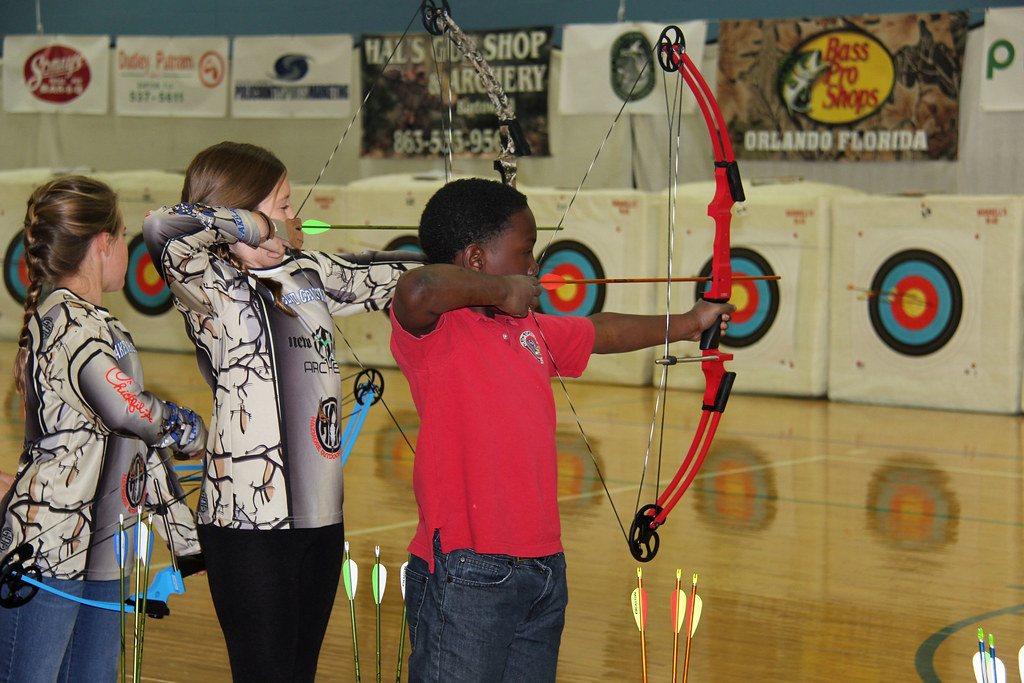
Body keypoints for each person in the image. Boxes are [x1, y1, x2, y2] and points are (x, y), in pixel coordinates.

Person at [389, 177, 735, 682]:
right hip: (467, 569)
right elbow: (418, 288)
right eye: (526, 252)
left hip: (543, 566)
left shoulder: (527, 330)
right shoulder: (437, 334)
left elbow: (601, 331)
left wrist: (687, 322)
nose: (535, 267)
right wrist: (505, 290)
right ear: (476, 260)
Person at [142, 141, 423, 682]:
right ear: (240, 208)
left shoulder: (307, 270)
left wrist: (472, 271)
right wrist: (263, 229)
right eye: (283, 204)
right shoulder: (207, 283)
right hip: (249, 525)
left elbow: (395, 277)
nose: (295, 218)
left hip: (321, 517)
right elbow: (161, 225)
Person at [0, 175, 207, 683]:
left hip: (101, 553)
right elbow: (131, 412)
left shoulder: (103, 326)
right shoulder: (68, 323)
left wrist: (186, 544)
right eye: (123, 238)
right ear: (103, 244)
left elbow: (135, 448)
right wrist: (194, 430)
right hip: (47, 551)